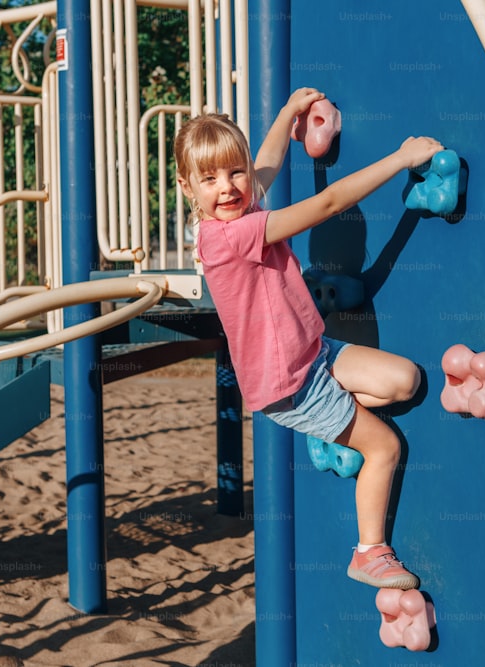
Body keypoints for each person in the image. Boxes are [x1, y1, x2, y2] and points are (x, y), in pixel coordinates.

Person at [174, 87, 443, 589]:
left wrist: (286, 115)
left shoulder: (241, 206)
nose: (228, 187)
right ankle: (368, 552)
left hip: (315, 353)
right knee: (384, 446)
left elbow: (267, 168)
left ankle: (338, 418)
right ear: (188, 188)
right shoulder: (229, 236)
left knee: (405, 379)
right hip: (289, 384)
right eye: (209, 180)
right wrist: (403, 158)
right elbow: (329, 202)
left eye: (234, 172)